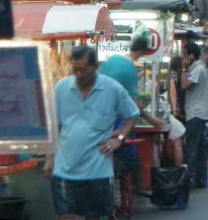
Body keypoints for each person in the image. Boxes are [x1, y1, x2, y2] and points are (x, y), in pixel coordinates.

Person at [44, 46, 139, 220]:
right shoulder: (62, 88)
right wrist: (49, 157)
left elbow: (133, 115)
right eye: (75, 69)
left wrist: (119, 138)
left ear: (96, 66)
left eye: (83, 69)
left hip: (98, 170)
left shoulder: (113, 89)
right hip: (65, 168)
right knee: (65, 216)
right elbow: (54, 125)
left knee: (93, 216)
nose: (79, 74)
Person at [99, 34, 167, 179]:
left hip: (100, 120)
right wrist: (152, 120)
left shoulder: (112, 59)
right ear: (143, 52)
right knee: (129, 157)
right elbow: (135, 108)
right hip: (115, 124)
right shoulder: (129, 70)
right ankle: (121, 183)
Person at [180, 42, 208, 189]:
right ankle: (201, 180)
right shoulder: (199, 68)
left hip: (195, 113)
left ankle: (189, 181)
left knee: (191, 149)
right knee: (200, 149)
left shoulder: (197, 69)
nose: (182, 57)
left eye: (184, 55)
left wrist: (183, 69)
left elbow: (184, 85)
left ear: (191, 56)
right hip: (200, 113)